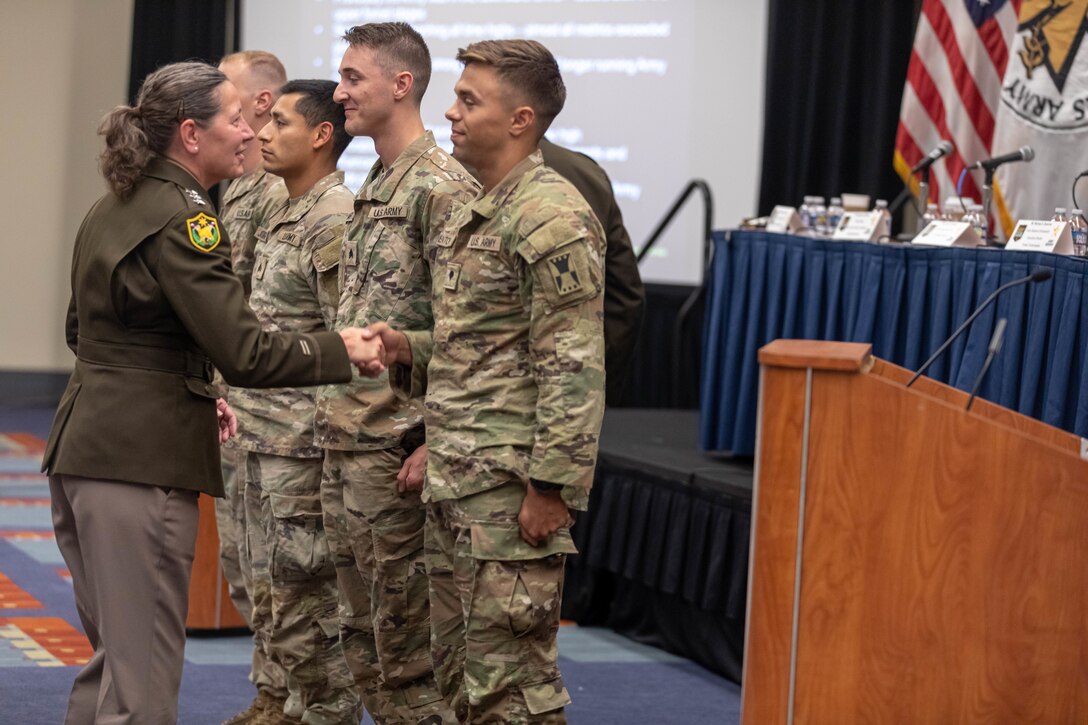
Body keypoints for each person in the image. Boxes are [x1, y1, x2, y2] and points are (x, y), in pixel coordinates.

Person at [41, 61, 381, 725]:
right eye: (235, 118)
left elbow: (83, 330)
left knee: (114, 662)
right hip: (140, 465)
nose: (249, 130)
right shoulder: (186, 220)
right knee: (140, 685)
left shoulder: (114, 203)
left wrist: (187, 380)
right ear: (191, 135)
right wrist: (346, 349)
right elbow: (245, 350)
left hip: (84, 445)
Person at [363, 39, 607, 723]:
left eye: (470, 100)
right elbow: (480, 344)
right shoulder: (485, 208)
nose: (451, 111)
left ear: (522, 119)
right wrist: (405, 344)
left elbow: (574, 365)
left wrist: (550, 487)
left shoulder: (550, 215)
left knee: (511, 691)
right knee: (458, 679)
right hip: (459, 482)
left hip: (508, 495)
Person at [313, 23, 477, 724]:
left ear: (401, 84)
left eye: (353, 78)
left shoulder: (441, 190)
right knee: (361, 641)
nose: (339, 91)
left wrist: (435, 440)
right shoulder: (375, 181)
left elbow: (473, 336)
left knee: (410, 657)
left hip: (396, 451)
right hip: (347, 440)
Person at [223, 80, 362, 725]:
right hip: (258, 433)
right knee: (268, 595)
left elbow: (349, 341)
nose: (261, 133)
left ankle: (322, 712)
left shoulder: (334, 216)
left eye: (279, 122)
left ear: (321, 134)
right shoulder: (284, 206)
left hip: (301, 447)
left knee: (308, 604)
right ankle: (277, 703)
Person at [214, 52, 291, 725]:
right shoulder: (236, 184)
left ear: (262, 102)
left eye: (227, 83)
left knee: (272, 562)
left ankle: (287, 695)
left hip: (269, 407)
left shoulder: (274, 193)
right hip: (234, 397)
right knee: (242, 559)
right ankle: (270, 690)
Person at [538, 138, 644, 405]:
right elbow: (626, 299)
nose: (453, 113)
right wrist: (594, 381)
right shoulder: (587, 173)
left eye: (469, 101)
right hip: (574, 397)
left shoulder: (454, 178)